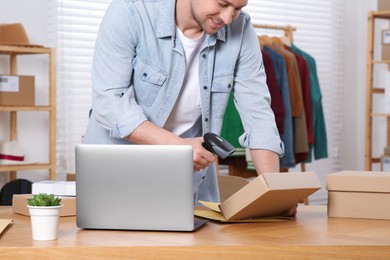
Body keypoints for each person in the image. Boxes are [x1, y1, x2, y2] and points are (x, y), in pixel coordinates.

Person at [83, 0, 296, 215]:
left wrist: (273, 191)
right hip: (117, 178)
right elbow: (109, 102)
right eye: (223, 3)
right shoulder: (130, 12)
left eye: (238, 8)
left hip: (190, 182)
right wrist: (178, 147)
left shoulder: (239, 28)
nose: (228, 17)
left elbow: (258, 111)